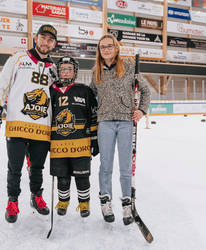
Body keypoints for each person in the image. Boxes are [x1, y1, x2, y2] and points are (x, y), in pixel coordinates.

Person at [0, 24, 58, 223]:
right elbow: (2, 83)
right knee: (15, 167)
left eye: (50, 40)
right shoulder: (18, 58)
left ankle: (36, 196)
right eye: (43, 38)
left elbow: (56, 98)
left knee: (37, 167)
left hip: (42, 127)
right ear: (35, 38)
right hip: (17, 123)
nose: (46, 42)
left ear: (54, 44)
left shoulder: (54, 69)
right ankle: (13, 201)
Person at [90, 34, 151, 225]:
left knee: (125, 167)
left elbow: (146, 90)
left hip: (125, 122)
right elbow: (91, 96)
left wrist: (141, 110)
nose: (106, 49)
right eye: (102, 47)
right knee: (105, 166)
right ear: (99, 50)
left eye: (109, 46)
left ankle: (127, 203)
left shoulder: (130, 66)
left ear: (116, 48)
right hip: (105, 123)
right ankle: (105, 200)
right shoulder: (96, 71)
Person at [50, 56, 98, 218]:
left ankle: (84, 204)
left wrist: (95, 138)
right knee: (62, 176)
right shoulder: (50, 91)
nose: (65, 72)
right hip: (58, 144)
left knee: (82, 176)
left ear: (75, 72)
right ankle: (63, 202)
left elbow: (93, 115)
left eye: (69, 69)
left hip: (81, 143)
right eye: (63, 69)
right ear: (58, 71)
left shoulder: (84, 91)